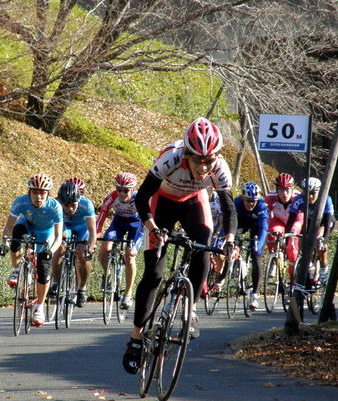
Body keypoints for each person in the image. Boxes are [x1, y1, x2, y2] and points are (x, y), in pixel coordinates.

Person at [122, 117, 237, 375]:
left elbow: (228, 207)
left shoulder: (219, 168)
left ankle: (190, 308)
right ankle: (137, 335)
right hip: (162, 201)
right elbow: (142, 197)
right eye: (198, 160)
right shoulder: (171, 158)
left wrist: (229, 240)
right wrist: (153, 229)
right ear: (187, 153)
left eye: (210, 160)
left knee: (204, 246)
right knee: (154, 273)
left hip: (193, 201)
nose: (205, 166)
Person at [3, 174, 63, 327]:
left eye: (42, 193)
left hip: (46, 233)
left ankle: (39, 308)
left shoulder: (55, 207)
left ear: (48, 194)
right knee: (16, 234)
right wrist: (5, 241)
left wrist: (51, 250)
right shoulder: (20, 202)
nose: (38, 196)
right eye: (35, 192)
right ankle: (16, 269)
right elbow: (9, 227)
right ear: (29, 192)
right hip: (27, 226)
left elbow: (58, 236)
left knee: (43, 270)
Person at [96, 172, 144, 310]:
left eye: (126, 190)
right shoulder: (112, 197)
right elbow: (102, 216)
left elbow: (144, 222)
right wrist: (97, 234)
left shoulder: (139, 199)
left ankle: (128, 294)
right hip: (118, 223)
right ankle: (109, 276)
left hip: (136, 226)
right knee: (104, 249)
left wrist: (135, 245)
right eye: (119, 190)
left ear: (133, 189)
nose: (122, 194)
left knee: (129, 256)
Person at [51, 180, 97, 307]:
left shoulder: (86, 205)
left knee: (83, 255)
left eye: (73, 205)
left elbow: (93, 232)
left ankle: (82, 288)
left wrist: (90, 247)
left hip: (82, 228)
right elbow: (52, 228)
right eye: (66, 205)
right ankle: (55, 282)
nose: (70, 209)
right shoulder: (55, 204)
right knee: (60, 247)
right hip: (65, 226)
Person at [286, 177, 335, 284]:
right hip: (310, 221)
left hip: (324, 221)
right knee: (302, 242)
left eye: (313, 193)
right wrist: (286, 238)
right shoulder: (299, 199)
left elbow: (327, 222)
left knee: (319, 238)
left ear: (319, 191)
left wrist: (324, 240)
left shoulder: (326, 199)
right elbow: (290, 220)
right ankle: (309, 264)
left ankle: (324, 265)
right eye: (307, 193)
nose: (310, 196)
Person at [234, 182, 269, 311]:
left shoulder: (262, 205)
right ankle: (235, 266)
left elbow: (264, 228)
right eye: (248, 201)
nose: (250, 204)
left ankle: (254, 294)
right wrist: (227, 238)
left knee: (256, 256)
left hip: (256, 226)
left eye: (253, 201)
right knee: (232, 241)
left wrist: (258, 245)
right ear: (243, 198)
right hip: (241, 224)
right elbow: (229, 223)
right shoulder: (236, 202)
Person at [264, 173, 302, 278]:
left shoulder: (297, 197)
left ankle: (293, 280)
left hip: (294, 222)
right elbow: (265, 215)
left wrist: (292, 232)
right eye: (281, 190)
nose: (284, 194)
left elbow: (299, 220)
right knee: (272, 232)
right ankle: (274, 257)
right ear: (277, 190)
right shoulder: (271, 197)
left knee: (292, 249)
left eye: (287, 190)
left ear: (292, 189)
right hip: (279, 221)